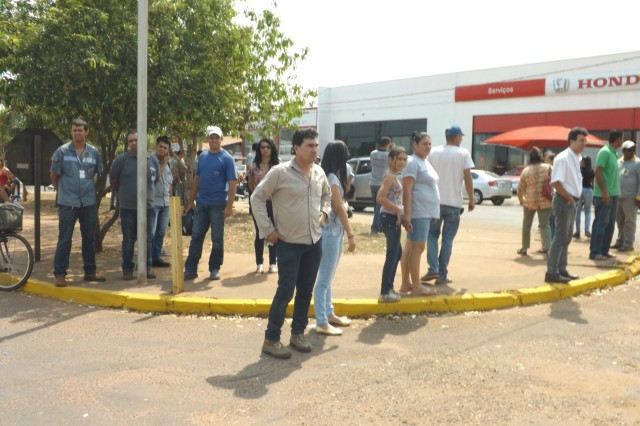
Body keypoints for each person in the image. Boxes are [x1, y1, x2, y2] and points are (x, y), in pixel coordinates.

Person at [251, 128, 331, 359]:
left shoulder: (319, 173)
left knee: (306, 291)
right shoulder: (280, 172)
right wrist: (268, 230)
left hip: (314, 242)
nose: (314, 149)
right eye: (309, 145)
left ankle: (297, 334)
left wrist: (324, 215)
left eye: (316, 145)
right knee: (285, 291)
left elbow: (327, 197)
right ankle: (271, 338)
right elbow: (257, 197)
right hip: (288, 244)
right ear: (296, 148)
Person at [50, 119, 105, 287]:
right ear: (71, 132)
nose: (77, 133)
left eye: (80, 130)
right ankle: (60, 274)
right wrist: (61, 192)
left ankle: (90, 272)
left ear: (86, 132)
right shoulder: (61, 152)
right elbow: (54, 175)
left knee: (89, 238)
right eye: (74, 130)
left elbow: (99, 173)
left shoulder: (94, 152)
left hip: (88, 202)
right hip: (68, 202)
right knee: (64, 239)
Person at [313, 140, 356, 336]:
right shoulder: (331, 178)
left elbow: (342, 205)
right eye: (345, 152)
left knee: (328, 278)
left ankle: (328, 314)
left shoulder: (336, 176)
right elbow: (339, 207)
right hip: (331, 232)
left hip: (334, 232)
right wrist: (351, 234)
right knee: (324, 279)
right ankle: (321, 321)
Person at [184, 125, 237, 281]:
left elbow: (232, 183)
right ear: (207, 139)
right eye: (211, 137)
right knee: (196, 236)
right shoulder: (203, 157)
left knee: (217, 239)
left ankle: (214, 268)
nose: (214, 140)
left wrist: (229, 206)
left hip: (218, 205)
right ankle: (190, 269)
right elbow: (197, 179)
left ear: (221, 139)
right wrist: (191, 201)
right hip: (202, 204)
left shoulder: (227, 158)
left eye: (216, 137)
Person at [424, 125, 474, 285]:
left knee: (431, 236)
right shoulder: (463, 153)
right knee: (447, 240)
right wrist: (471, 199)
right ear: (458, 137)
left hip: (434, 203)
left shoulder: (434, 152)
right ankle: (442, 274)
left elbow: (426, 176)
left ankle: (433, 269)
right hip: (454, 204)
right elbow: (468, 178)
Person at [109, 129, 159, 280]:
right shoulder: (121, 160)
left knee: (148, 239)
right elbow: (113, 180)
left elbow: (155, 180)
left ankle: (147, 267)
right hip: (128, 208)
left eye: (136, 140)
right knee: (128, 239)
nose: (134, 143)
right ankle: (127, 269)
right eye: (130, 141)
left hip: (148, 208)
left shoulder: (152, 160)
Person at [545, 127, 588, 283]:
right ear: (572, 141)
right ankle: (551, 272)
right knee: (561, 237)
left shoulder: (576, 157)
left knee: (567, 237)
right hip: (564, 201)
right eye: (581, 140)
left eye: (585, 140)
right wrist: (569, 198)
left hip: (572, 201)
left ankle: (561, 269)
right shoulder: (563, 158)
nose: (584, 143)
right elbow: (555, 182)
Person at [399, 132, 440, 296]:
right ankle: (416, 286)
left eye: (429, 144)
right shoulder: (412, 162)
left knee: (411, 247)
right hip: (418, 212)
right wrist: (408, 215)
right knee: (417, 248)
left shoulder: (424, 161)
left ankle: (406, 283)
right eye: (424, 144)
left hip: (425, 212)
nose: (428, 147)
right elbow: (407, 190)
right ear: (414, 144)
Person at [376, 146, 408, 302]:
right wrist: (398, 210)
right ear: (391, 159)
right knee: (392, 255)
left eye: (404, 159)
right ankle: (385, 292)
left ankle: (389, 288)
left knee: (397, 254)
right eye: (399, 159)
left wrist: (399, 213)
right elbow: (380, 198)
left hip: (393, 217)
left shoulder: (395, 175)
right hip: (388, 219)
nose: (402, 162)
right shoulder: (389, 176)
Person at [589, 129, 623, 260]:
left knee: (609, 224)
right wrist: (604, 192)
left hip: (614, 195)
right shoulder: (605, 152)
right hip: (604, 195)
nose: (622, 141)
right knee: (601, 223)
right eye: (622, 138)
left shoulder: (614, 153)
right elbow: (597, 172)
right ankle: (595, 252)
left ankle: (604, 250)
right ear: (618, 139)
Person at [247, 137, 279, 274]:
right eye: (262, 147)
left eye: (268, 147)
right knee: (260, 233)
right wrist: (259, 198)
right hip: (259, 205)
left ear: (272, 148)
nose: (265, 149)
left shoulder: (278, 166)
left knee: (273, 231)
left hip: (276, 204)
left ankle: (273, 263)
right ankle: (259, 263)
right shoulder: (253, 167)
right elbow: (250, 186)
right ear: (259, 149)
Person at [516, 147, 551, 256]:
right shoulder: (549, 168)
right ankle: (548, 248)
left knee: (526, 225)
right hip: (545, 201)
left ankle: (524, 248)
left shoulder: (526, 171)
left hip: (529, 202)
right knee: (545, 225)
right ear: (540, 156)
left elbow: (520, 188)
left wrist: (521, 200)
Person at [612, 141, 640, 252]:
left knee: (630, 222)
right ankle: (620, 241)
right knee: (620, 221)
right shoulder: (618, 162)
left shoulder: (638, 163)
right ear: (623, 150)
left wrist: (638, 197)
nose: (631, 151)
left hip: (631, 197)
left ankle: (628, 244)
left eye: (633, 149)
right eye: (629, 149)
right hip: (618, 196)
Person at [151, 136, 173, 268]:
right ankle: (147, 259)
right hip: (153, 202)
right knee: (151, 233)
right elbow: (154, 179)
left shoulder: (167, 162)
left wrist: (171, 196)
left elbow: (169, 181)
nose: (162, 149)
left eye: (165, 148)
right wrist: (164, 164)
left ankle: (156, 257)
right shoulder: (150, 160)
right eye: (160, 146)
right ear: (156, 146)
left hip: (165, 203)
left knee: (161, 232)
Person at [369, 136, 391, 233]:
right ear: (388, 145)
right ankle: (375, 226)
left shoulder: (373, 153)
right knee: (379, 207)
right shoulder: (388, 155)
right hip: (382, 184)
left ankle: (378, 224)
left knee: (376, 206)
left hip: (372, 183)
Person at [574, 156, 594, 239]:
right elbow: (593, 184)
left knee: (578, 211)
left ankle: (578, 231)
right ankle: (587, 229)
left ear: (584, 162)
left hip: (580, 190)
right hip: (589, 190)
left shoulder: (579, 170)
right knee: (588, 211)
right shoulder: (592, 171)